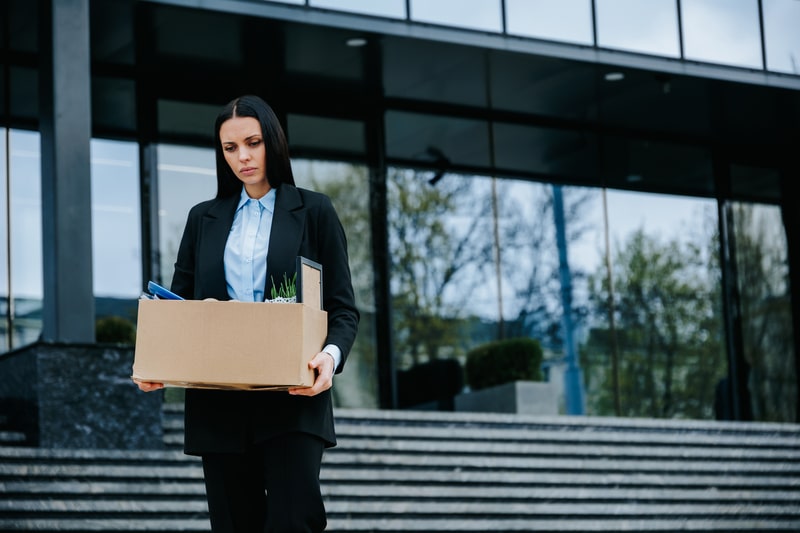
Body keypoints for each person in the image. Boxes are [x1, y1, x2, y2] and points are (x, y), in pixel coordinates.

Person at [134, 94, 360, 532]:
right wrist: (158, 362)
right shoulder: (203, 219)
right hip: (219, 405)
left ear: (272, 141)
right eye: (230, 148)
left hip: (292, 400)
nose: (243, 157)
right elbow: (177, 307)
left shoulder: (314, 211)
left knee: (296, 521)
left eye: (252, 142)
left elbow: (343, 308)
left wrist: (328, 360)